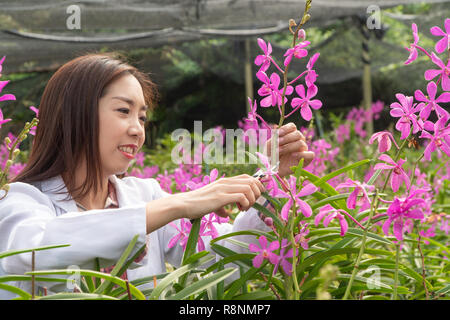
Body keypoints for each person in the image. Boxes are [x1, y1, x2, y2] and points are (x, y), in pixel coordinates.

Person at [0, 53, 314, 299]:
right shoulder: (21, 200)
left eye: (142, 117)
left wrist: (272, 175)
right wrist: (178, 205)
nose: (138, 130)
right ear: (75, 114)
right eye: (123, 111)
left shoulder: (143, 195)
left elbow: (229, 261)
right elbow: (29, 256)